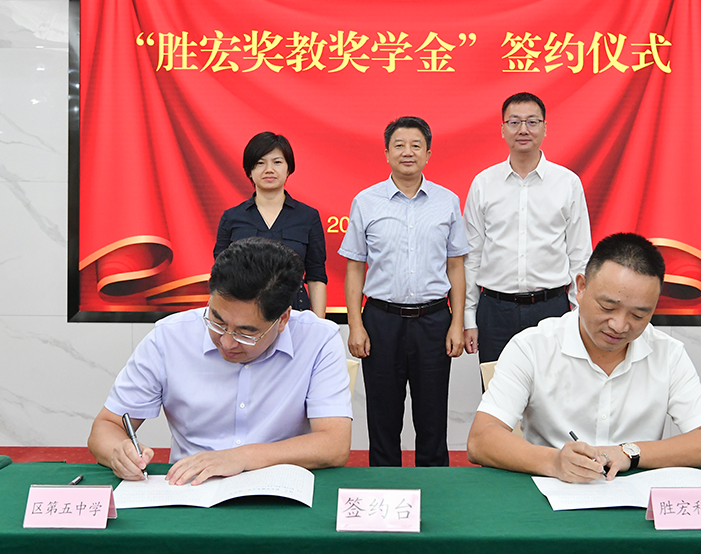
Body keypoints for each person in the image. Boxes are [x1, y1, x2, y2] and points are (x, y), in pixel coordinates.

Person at [466, 233, 701, 483]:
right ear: (581, 288)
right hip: (550, 492)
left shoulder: (668, 354)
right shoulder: (532, 347)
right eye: (607, 307)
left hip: (634, 499)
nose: (619, 325)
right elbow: (481, 439)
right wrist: (554, 462)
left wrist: (630, 453)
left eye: (638, 315)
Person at [88, 237, 352, 486]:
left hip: (279, 488)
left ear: (282, 319)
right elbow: (107, 426)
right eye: (217, 321)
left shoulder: (318, 339)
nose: (226, 342)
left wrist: (241, 457)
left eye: (246, 333)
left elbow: (334, 444)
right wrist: (118, 452)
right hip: (191, 489)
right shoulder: (169, 337)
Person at [339, 116, 468, 467]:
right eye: (399, 145)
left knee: (432, 417)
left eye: (415, 145)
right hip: (381, 320)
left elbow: (456, 266)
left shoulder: (447, 201)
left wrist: (457, 323)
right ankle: (385, 488)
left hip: (434, 321)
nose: (407, 152)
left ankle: (436, 488)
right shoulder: (366, 201)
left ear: (428, 154)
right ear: (386, 153)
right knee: (383, 416)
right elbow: (355, 267)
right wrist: (355, 325)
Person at [463, 92, 592, 364]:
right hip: (495, 312)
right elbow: (472, 257)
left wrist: (579, 316)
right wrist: (468, 317)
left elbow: (580, 255)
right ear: (503, 129)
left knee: (552, 389)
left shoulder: (567, 183)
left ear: (545, 128)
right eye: (514, 122)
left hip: (551, 310)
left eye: (532, 122)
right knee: (497, 388)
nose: (523, 129)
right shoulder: (484, 183)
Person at [214, 132, 328, 317]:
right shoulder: (232, 217)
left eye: (277, 162)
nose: (269, 169)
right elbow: (220, 276)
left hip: (294, 314)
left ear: (289, 169)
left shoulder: (308, 216)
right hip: (243, 316)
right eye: (260, 163)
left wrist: (318, 325)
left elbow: (316, 277)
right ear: (249, 170)